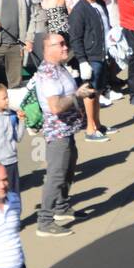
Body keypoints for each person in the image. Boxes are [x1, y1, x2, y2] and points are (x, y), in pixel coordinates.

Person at [33, 33, 91, 234]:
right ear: (48, 48)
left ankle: (62, 207)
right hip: (58, 134)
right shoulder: (49, 74)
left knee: (67, 169)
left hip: (68, 131)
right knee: (56, 175)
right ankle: (45, 222)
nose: (66, 47)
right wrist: (77, 95)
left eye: (65, 43)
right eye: (61, 44)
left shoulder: (58, 68)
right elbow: (55, 107)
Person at [68, 0, 110, 141]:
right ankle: (90, 129)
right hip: (90, 57)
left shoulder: (99, 4)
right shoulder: (79, 11)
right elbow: (75, 38)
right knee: (90, 93)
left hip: (103, 54)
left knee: (98, 92)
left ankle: (98, 125)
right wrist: (82, 61)